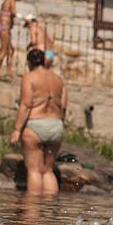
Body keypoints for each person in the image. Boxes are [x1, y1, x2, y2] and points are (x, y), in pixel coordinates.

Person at [10, 48, 68, 194]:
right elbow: (63, 106)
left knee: (35, 171)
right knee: (48, 170)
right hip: (56, 125)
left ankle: (33, 213)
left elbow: (26, 104)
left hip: (36, 125)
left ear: (29, 62)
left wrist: (17, 130)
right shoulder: (58, 80)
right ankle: (48, 213)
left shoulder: (29, 77)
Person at [0, 0, 25, 76]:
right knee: (3, 50)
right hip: (4, 27)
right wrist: (23, 19)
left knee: (10, 50)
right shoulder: (11, 0)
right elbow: (14, 12)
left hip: (3, 27)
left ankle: (9, 71)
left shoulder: (7, 0)